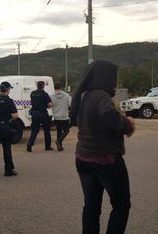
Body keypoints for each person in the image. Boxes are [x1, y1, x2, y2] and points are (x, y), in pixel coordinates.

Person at [69, 60, 135, 234]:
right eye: (114, 77)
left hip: (83, 157)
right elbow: (112, 119)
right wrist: (128, 124)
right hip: (105, 159)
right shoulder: (101, 96)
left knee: (91, 207)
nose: (115, 81)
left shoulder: (84, 95)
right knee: (122, 205)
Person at [26, 81, 53, 152]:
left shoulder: (32, 93)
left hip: (34, 114)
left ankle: (29, 144)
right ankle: (47, 146)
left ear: (37, 86)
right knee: (46, 130)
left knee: (34, 130)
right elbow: (50, 104)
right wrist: (47, 105)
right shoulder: (44, 94)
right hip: (43, 114)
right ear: (43, 86)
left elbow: (33, 102)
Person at [50, 82, 71, 151]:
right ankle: (59, 141)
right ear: (61, 87)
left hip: (56, 117)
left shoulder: (51, 96)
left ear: (54, 88)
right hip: (64, 116)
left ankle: (60, 146)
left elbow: (50, 105)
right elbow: (70, 104)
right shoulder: (67, 95)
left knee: (59, 131)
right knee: (66, 130)